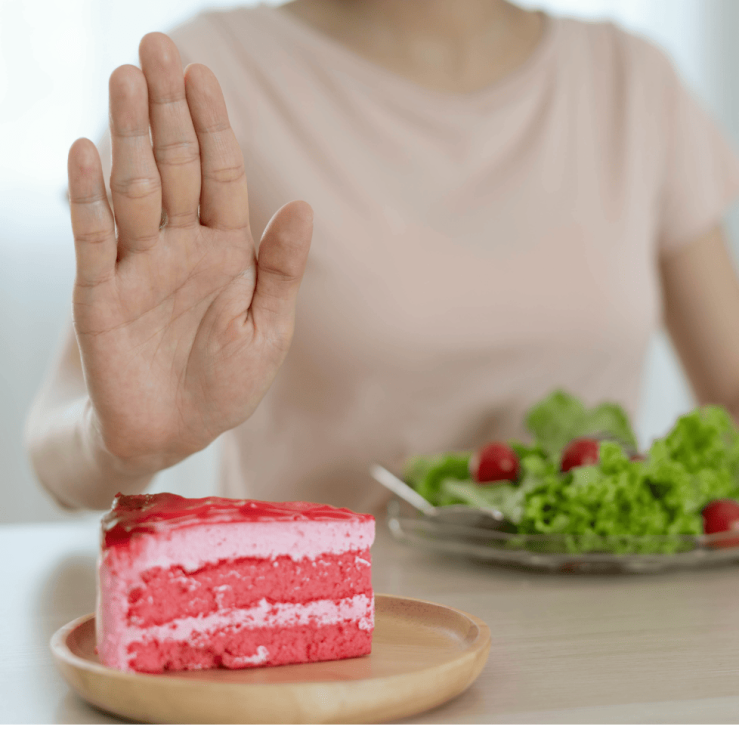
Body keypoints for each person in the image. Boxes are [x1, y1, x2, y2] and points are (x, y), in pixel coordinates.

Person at [25, 0, 739, 514]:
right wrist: (119, 444)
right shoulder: (208, 79)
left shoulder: (634, 79)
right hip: (325, 650)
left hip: (611, 645)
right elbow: (59, 440)